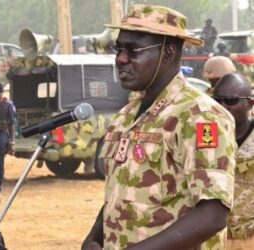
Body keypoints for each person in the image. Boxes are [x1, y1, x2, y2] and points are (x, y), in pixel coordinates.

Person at [82, 4, 237, 250]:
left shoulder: (199, 115)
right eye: (119, 48)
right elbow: (122, 190)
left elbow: (213, 214)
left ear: (168, 53)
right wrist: (94, 237)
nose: (121, 59)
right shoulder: (126, 116)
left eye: (133, 50)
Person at [213, 73, 254, 250]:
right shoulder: (205, 140)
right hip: (211, 240)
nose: (222, 107)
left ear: (250, 104)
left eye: (231, 100)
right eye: (217, 100)